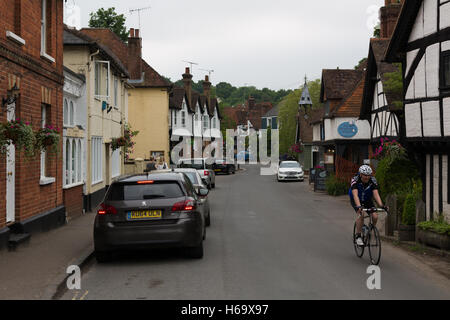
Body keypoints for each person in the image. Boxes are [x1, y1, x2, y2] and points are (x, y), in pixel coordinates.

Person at [349, 165, 388, 246]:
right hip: (356, 199)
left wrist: (381, 205)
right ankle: (358, 236)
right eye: (365, 175)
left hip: (367, 199)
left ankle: (370, 229)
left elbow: (376, 194)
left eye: (368, 175)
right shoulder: (355, 180)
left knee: (375, 216)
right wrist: (359, 207)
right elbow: (355, 195)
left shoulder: (372, 180)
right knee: (361, 214)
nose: (367, 177)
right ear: (360, 174)